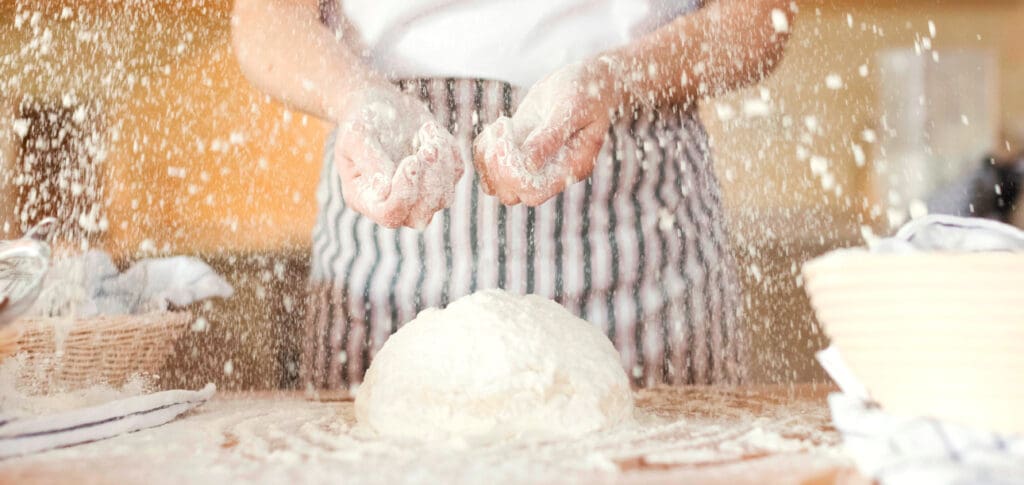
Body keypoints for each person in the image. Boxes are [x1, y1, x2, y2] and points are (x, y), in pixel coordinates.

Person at [232, 0, 794, 391]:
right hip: (389, 252)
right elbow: (264, 18)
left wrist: (613, 80)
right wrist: (355, 97)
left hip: (643, 254)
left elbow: (758, 19)